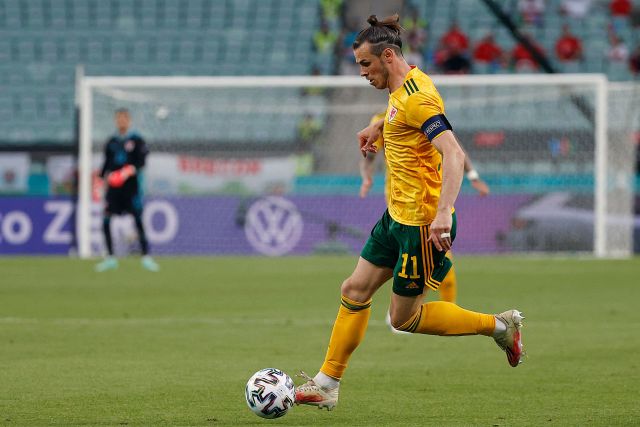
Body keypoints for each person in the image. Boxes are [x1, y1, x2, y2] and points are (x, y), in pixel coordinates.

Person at [295, 14, 524, 411]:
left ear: (387, 56)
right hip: (395, 217)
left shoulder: (419, 98)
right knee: (353, 290)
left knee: (404, 319)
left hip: (422, 223)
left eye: (365, 64)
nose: (362, 72)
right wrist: (381, 127)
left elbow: (453, 153)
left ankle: (500, 326)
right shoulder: (404, 87)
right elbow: (405, 119)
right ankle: (326, 384)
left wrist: (444, 212)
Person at [359, 110, 490, 308]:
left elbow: (454, 147)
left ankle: (419, 309)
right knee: (428, 262)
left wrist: (473, 176)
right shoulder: (381, 120)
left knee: (431, 262)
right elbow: (369, 157)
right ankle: (412, 310)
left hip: (431, 198)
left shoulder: (421, 108)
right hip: (402, 203)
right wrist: (366, 177)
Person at [95, 109, 159, 272]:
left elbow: (142, 162)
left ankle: (146, 257)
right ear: (115, 121)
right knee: (106, 220)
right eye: (118, 119)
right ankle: (110, 258)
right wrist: (101, 180)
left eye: (124, 118)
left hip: (131, 188)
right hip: (114, 190)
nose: (121, 121)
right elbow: (106, 165)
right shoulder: (111, 142)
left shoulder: (137, 140)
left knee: (138, 220)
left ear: (129, 120)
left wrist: (127, 171)